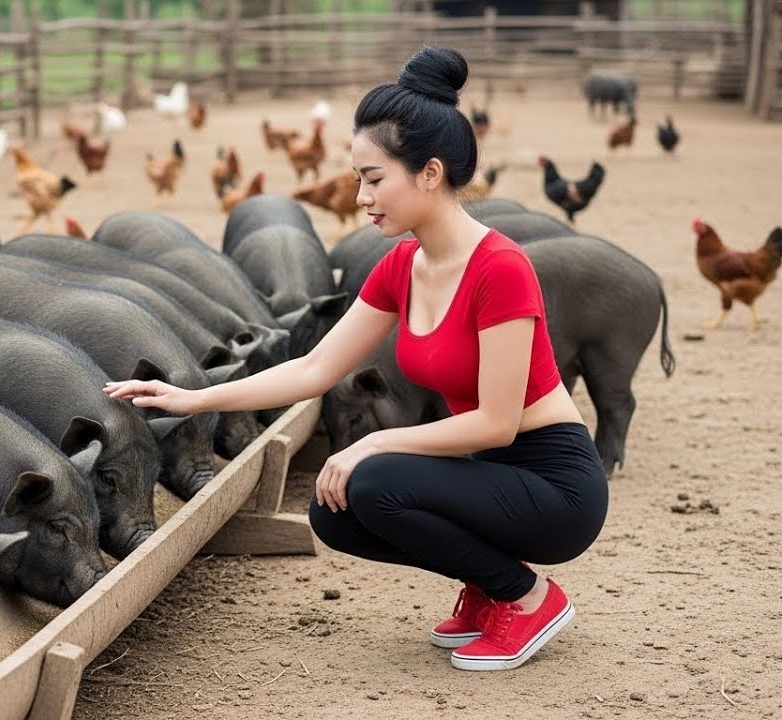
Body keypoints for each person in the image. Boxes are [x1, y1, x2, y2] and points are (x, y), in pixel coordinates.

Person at [104, 46, 608, 672]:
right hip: (488, 476)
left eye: (374, 178)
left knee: (367, 478)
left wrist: (372, 443)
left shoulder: (501, 269)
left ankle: (527, 597)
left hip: (554, 487)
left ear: (429, 173)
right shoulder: (403, 265)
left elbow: (498, 424)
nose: (362, 196)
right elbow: (315, 369)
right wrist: (195, 397)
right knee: (333, 511)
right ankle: (491, 584)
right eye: (358, 180)